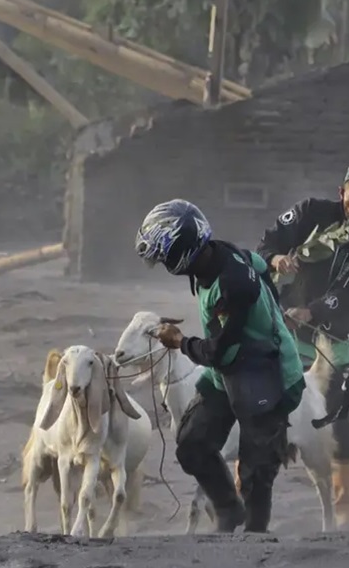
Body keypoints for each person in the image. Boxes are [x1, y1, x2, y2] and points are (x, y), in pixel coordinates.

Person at [137, 199, 306, 533]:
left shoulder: (232, 285)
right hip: (230, 372)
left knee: (256, 471)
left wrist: (179, 342)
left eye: (164, 256)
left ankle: (255, 540)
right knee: (192, 444)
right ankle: (229, 510)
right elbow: (260, 265)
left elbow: (217, 352)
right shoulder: (227, 253)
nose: (163, 263)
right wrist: (272, 308)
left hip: (269, 375)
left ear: (181, 251)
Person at [255, 160, 349, 528]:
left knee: (338, 420)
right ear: (341, 193)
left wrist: (311, 311)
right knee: (258, 410)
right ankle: (243, 502)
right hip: (282, 331)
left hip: (330, 337)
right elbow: (265, 244)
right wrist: (276, 259)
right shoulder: (309, 213)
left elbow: (347, 295)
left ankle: (347, 510)